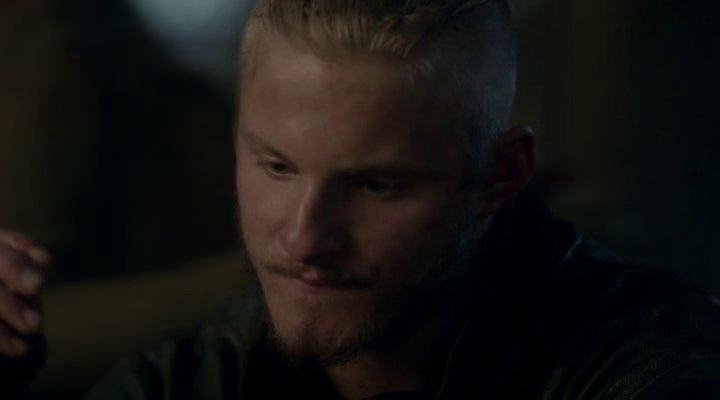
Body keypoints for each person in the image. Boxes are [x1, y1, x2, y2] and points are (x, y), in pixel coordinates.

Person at [2, 0, 719, 398]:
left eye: (377, 185)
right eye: (277, 166)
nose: (304, 239)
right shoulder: (206, 368)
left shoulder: (649, 371)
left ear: (501, 175)